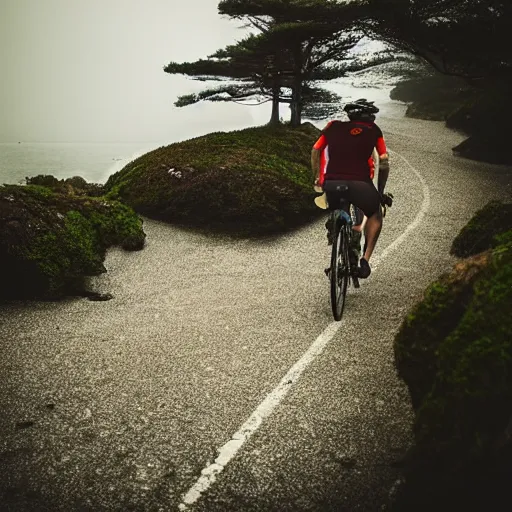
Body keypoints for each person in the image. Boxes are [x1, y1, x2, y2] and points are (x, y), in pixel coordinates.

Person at [311, 98, 390, 279]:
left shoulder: (333, 127)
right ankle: (364, 259)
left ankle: (337, 225)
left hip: (332, 182)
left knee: (340, 207)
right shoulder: (374, 130)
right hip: (359, 184)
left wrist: (316, 177)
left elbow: (315, 150)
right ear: (370, 117)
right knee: (375, 213)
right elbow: (384, 161)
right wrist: (380, 191)